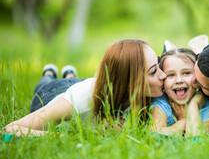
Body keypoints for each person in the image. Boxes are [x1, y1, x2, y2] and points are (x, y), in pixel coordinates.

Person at [5, 39, 166, 137]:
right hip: (52, 93)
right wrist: (63, 136)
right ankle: (49, 72)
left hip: (85, 83)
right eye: (153, 71)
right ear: (129, 81)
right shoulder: (82, 99)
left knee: (74, 82)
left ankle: (70, 74)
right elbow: (11, 128)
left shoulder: (146, 91)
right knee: (47, 83)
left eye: (158, 65)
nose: (163, 75)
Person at [150, 48, 209, 136]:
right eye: (170, 75)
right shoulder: (162, 102)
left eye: (186, 73)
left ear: (197, 77)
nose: (179, 80)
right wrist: (184, 119)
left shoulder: (207, 110)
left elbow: (197, 139)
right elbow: (155, 134)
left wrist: (193, 105)